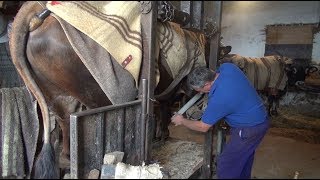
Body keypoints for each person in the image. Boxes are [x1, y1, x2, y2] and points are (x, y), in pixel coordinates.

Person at [171, 63, 270, 179]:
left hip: (249, 128)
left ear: (207, 84)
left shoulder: (220, 98)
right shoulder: (228, 68)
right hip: (260, 117)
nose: (200, 93)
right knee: (244, 158)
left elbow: (203, 126)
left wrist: (182, 120)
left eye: (201, 90)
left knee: (226, 164)